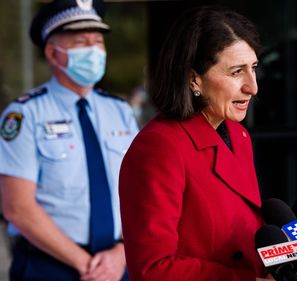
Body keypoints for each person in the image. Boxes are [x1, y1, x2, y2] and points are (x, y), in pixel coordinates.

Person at [119, 6, 273, 281]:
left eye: (253, 68)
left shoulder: (237, 135)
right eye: (236, 72)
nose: (252, 86)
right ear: (194, 79)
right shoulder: (159, 148)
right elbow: (153, 268)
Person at [0, 0, 138, 280]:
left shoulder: (120, 111)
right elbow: (17, 207)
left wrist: (120, 253)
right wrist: (87, 265)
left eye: (98, 41)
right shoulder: (24, 114)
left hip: (118, 262)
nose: (94, 50)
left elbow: (139, 190)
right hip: (49, 265)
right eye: (81, 42)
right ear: (53, 53)